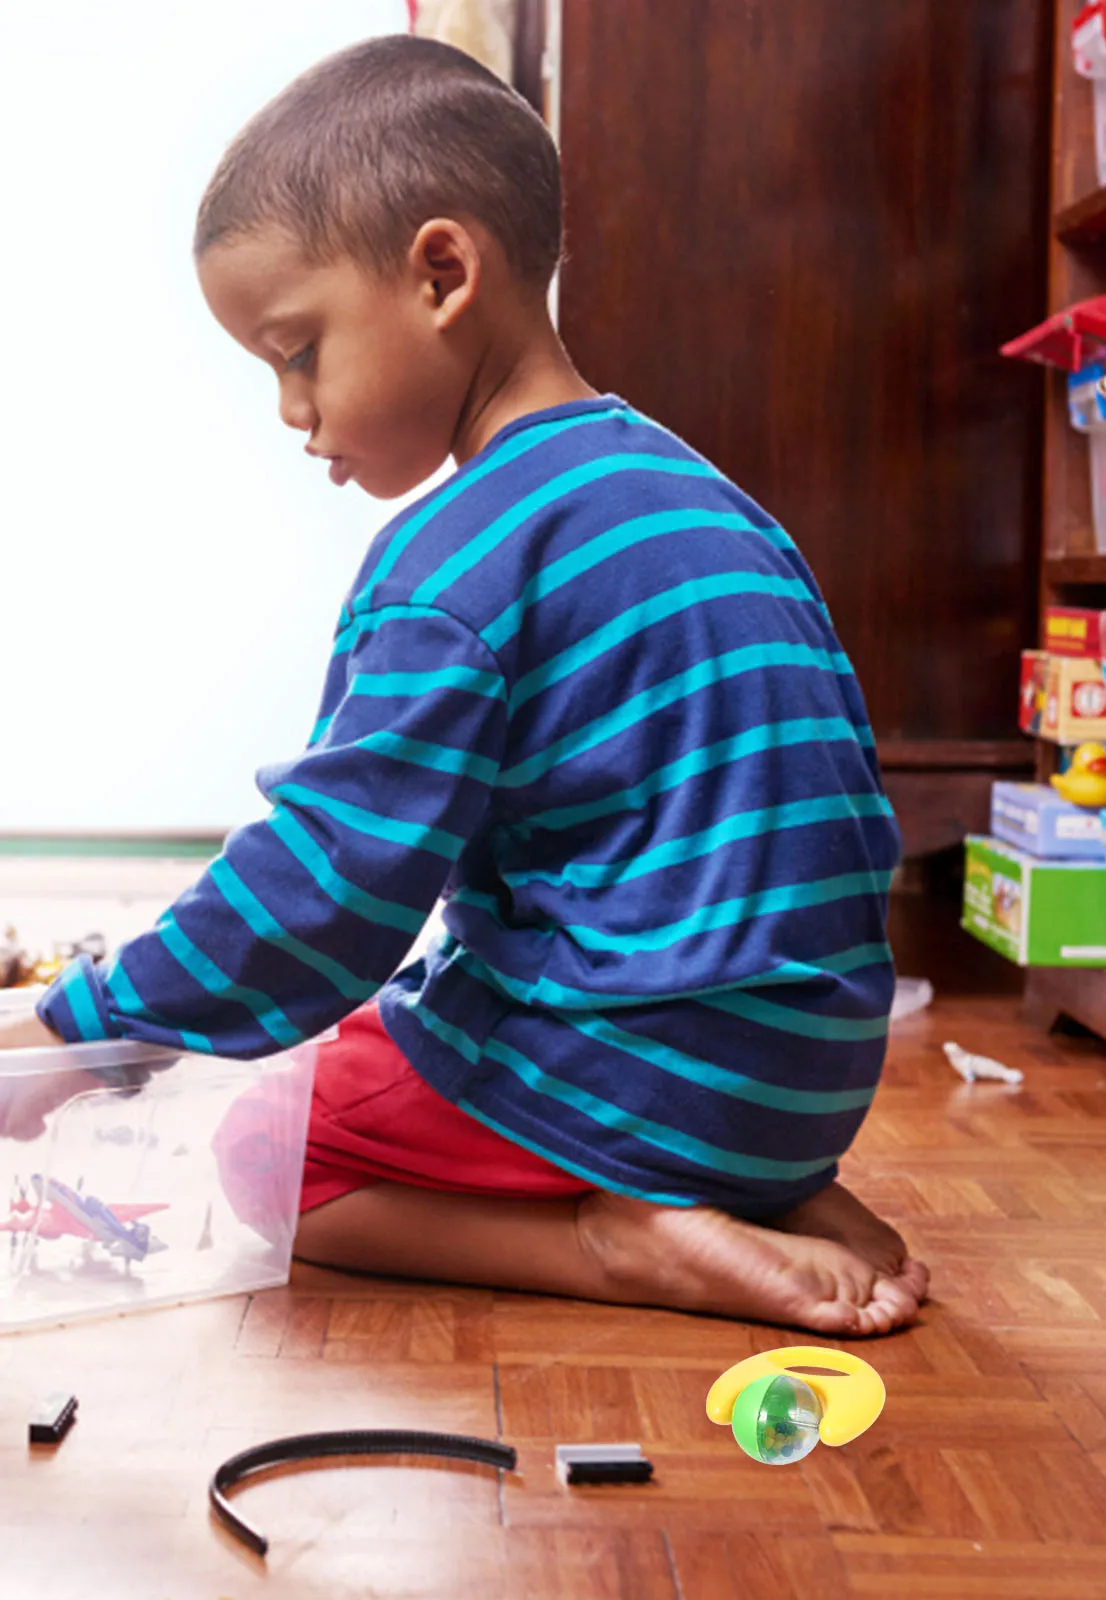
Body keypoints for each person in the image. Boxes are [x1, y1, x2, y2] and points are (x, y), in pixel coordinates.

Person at [0, 35, 927, 1337]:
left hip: (639, 1077)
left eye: (299, 350)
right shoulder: (702, 496)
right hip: (809, 1078)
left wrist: (80, 1033)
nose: (289, 407)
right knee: (420, 1014)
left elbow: (324, 897)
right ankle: (755, 1192)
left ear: (442, 274)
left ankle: (620, 1240)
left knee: (274, 1148)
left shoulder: (455, 563)